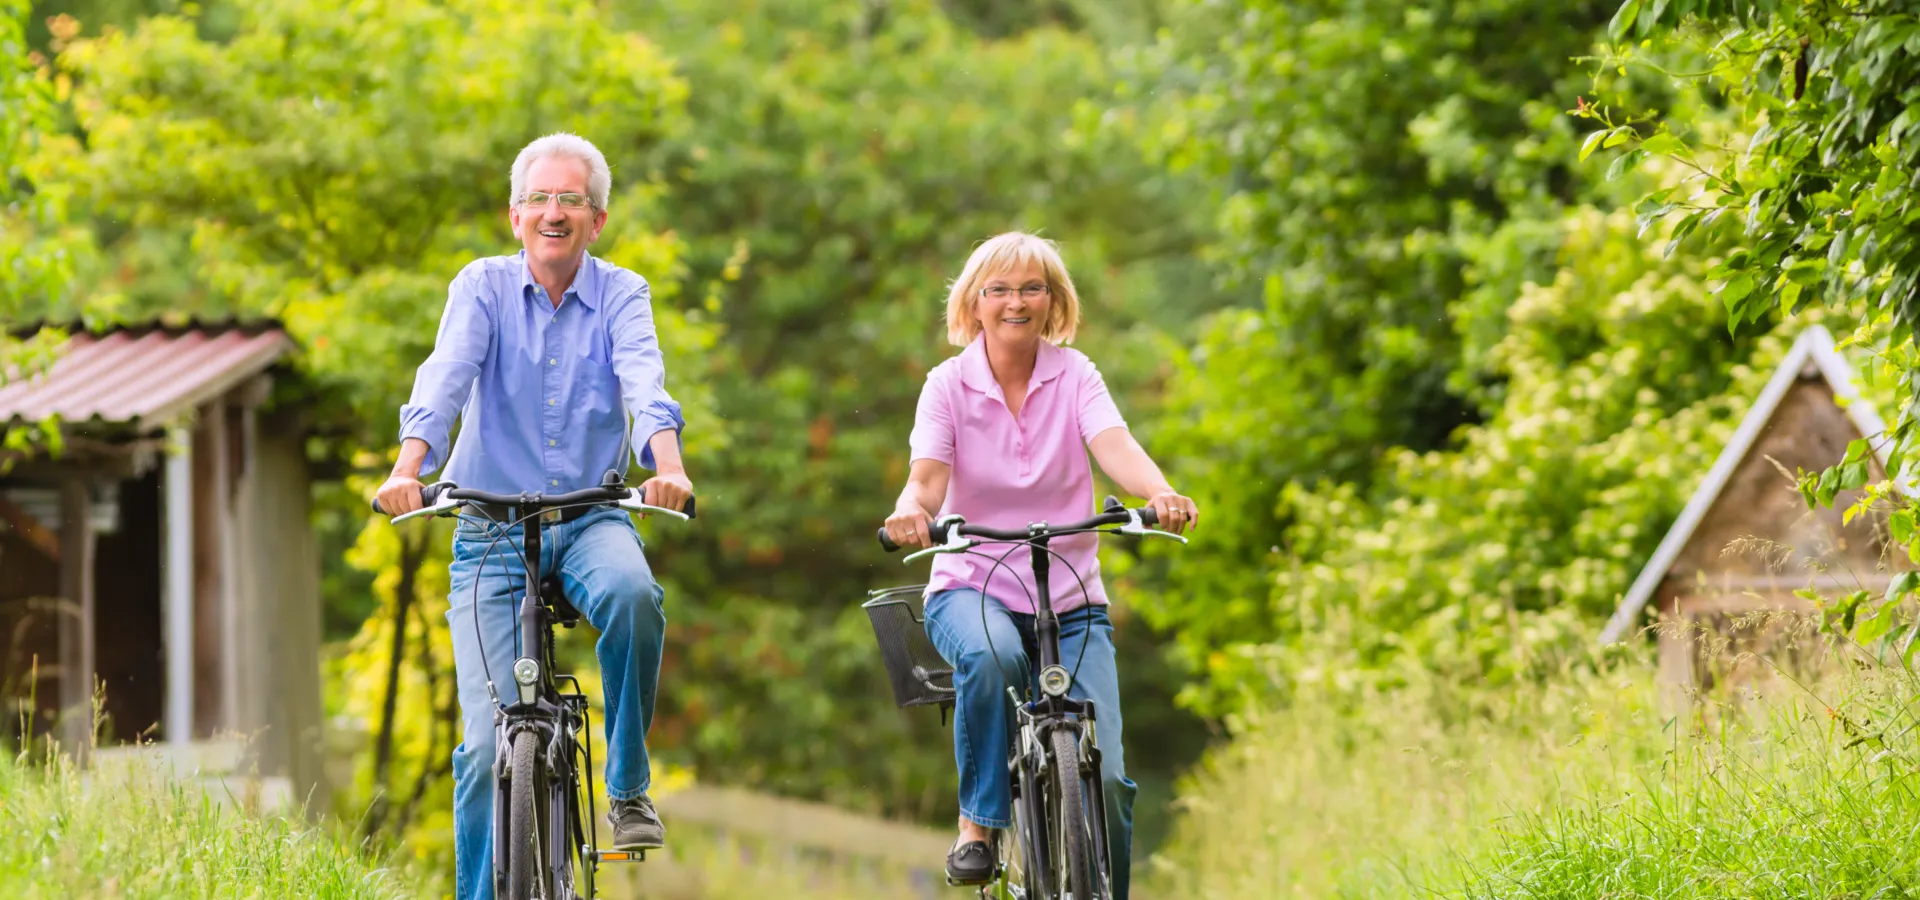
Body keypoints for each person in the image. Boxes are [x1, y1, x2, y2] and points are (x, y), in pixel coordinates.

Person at [375, 132, 693, 900]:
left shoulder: (623, 292)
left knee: (634, 597)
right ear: (514, 215)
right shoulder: (480, 287)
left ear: (598, 217)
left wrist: (669, 466)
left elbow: (644, 380)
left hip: (590, 517)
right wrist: (407, 468)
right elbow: (446, 375)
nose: (555, 213)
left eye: (571, 200)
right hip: (489, 526)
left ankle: (626, 785)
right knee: (486, 748)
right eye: (540, 199)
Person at [882, 232, 1198, 899]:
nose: (1015, 302)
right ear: (974, 303)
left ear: (1053, 300)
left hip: (1073, 598)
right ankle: (981, 825)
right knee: (994, 658)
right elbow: (928, 480)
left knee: (1107, 777)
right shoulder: (947, 385)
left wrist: (1158, 493)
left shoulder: (1076, 373)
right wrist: (910, 510)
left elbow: (1113, 442)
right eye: (998, 289)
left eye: (1032, 288)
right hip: (973, 585)